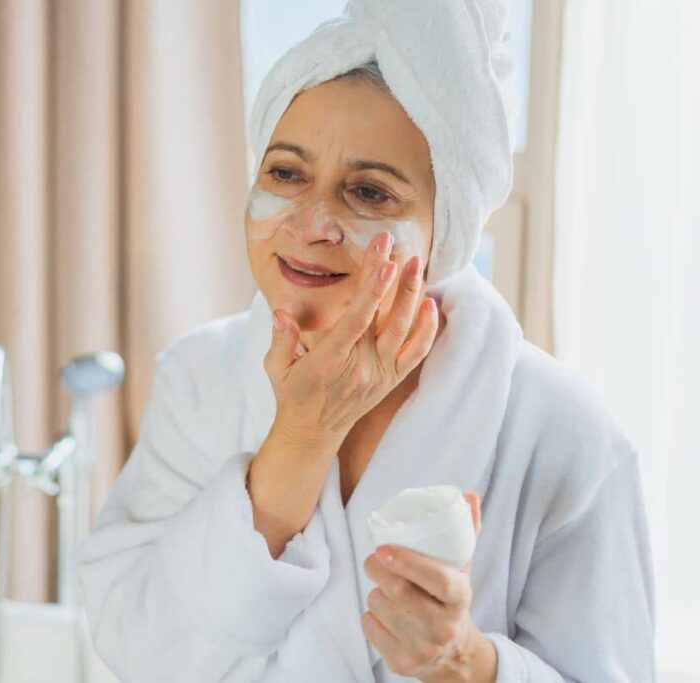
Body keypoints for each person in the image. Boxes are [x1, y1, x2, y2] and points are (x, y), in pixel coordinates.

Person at [78, 1, 656, 681]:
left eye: (370, 193)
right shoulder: (198, 378)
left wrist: (467, 661)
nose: (311, 221)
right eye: (286, 173)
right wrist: (298, 437)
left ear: (445, 231)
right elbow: (134, 643)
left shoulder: (562, 432)